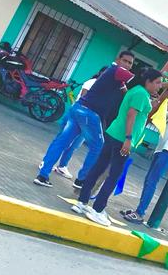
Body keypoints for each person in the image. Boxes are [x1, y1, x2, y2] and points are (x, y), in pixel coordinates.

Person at [73, 69, 163, 226]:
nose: (160, 86)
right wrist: (128, 139)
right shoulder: (141, 94)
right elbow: (131, 115)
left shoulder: (137, 90)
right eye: (157, 82)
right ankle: (97, 210)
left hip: (113, 133)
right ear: (148, 81)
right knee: (114, 175)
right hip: (122, 139)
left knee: (98, 168)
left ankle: (82, 202)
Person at [34, 51, 135, 187]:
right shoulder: (116, 70)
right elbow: (139, 81)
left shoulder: (116, 76)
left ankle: (42, 176)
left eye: (130, 63)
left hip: (79, 109)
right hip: (90, 113)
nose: (127, 64)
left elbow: (125, 92)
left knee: (62, 141)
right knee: (97, 147)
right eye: (125, 61)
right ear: (118, 60)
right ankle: (81, 180)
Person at [121, 88, 168, 224]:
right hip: (160, 150)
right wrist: (159, 98)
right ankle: (138, 210)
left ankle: (140, 213)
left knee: (152, 181)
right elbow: (153, 115)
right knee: (148, 180)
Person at [53, 67, 109, 179]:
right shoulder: (92, 82)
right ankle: (47, 163)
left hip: (87, 120)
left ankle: (62, 166)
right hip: (78, 116)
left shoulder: (104, 87)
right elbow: (84, 97)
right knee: (62, 141)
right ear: (101, 73)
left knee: (74, 145)